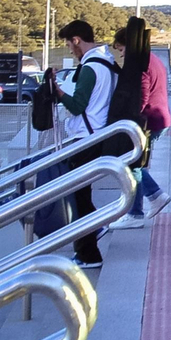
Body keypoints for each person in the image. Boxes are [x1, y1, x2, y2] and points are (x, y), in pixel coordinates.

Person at [50, 20, 120, 269]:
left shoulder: (90, 67)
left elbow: (78, 105)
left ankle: (89, 253)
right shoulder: (107, 62)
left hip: (86, 138)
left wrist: (58, 93)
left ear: (77, 40)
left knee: (78, 196)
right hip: (100, 134)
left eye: (69, 44)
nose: (70, 49)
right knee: (82, 193)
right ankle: (95, 230)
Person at [109, 20, 171, 228]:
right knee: (136, 162)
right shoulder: (153, 59)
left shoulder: (141, 65)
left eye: (122, 49)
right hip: (160, 118)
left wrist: (132, 115)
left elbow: (141, 94)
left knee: (133, 163)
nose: (122, 55)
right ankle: (149, 199)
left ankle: (142, 206)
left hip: (147, 120)